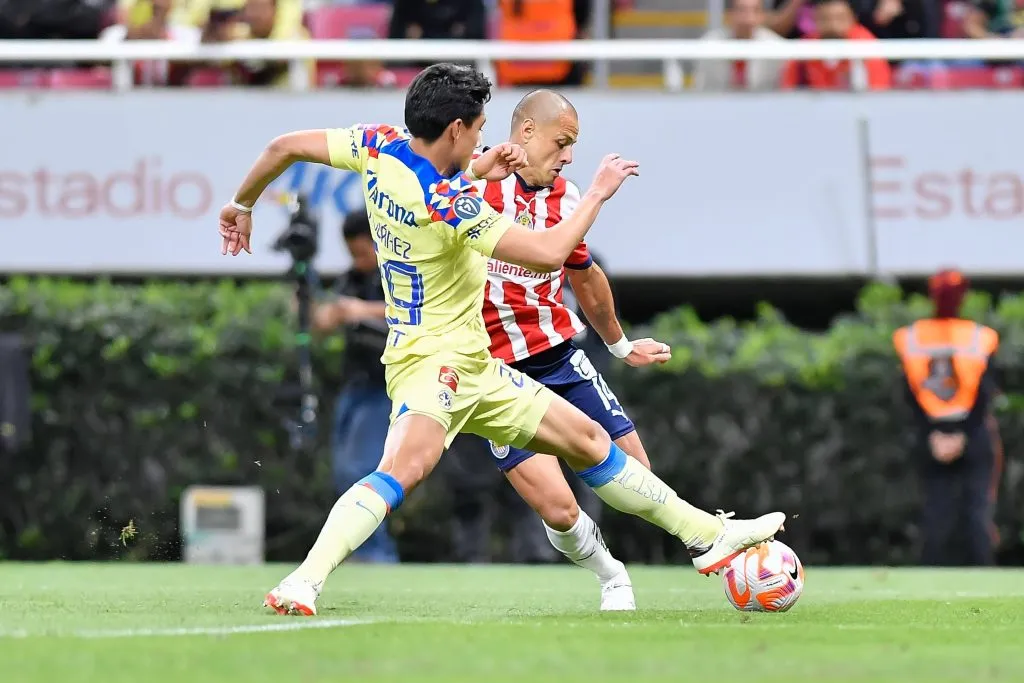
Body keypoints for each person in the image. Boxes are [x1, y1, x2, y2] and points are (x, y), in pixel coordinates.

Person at [217, 63, 785, 616]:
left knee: (589, 440)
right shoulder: (449, 202)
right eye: (481, 128)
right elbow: (545, 253)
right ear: (457, 129)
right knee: (399, 471)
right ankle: (303, 580)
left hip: (475, 364)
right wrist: (597, 195)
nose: (486, 136)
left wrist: (240, 204)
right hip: (436, 365)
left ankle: (710, 536)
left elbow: (283, 145)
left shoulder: (381, 145)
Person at [472, 90, 673, 611]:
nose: (567, 157)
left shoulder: (566, 197)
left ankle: (718, 549)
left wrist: (621, 344)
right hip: (491, 374)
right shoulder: (467, 188)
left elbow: (583, 275)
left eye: (573, 147)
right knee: (559, 510)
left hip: (558, 357)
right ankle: (611, 574)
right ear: (527, 134)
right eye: (562, 143)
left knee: (638, 477)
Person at [893, 269, 1003, 566]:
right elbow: (984, 393)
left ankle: (931, 580)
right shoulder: (980, 336)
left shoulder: (911, 336)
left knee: (937, 512)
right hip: (973, 431)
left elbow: (909, 394)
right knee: (975, 511)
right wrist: (963, 433)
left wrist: (935, 433)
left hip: (932, 434)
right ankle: (984, 579)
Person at [311, 210, 398, 564]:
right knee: (341, 472)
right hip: (354, 385)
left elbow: (410, 311)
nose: (358, 261)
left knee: (359, 469)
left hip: (384, 387)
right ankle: (366, 552)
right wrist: (323, 314)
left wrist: (363, 311)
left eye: (363, 252)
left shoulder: (397, 272)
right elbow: (321, 323)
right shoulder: (352, 278)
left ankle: (378, 555)